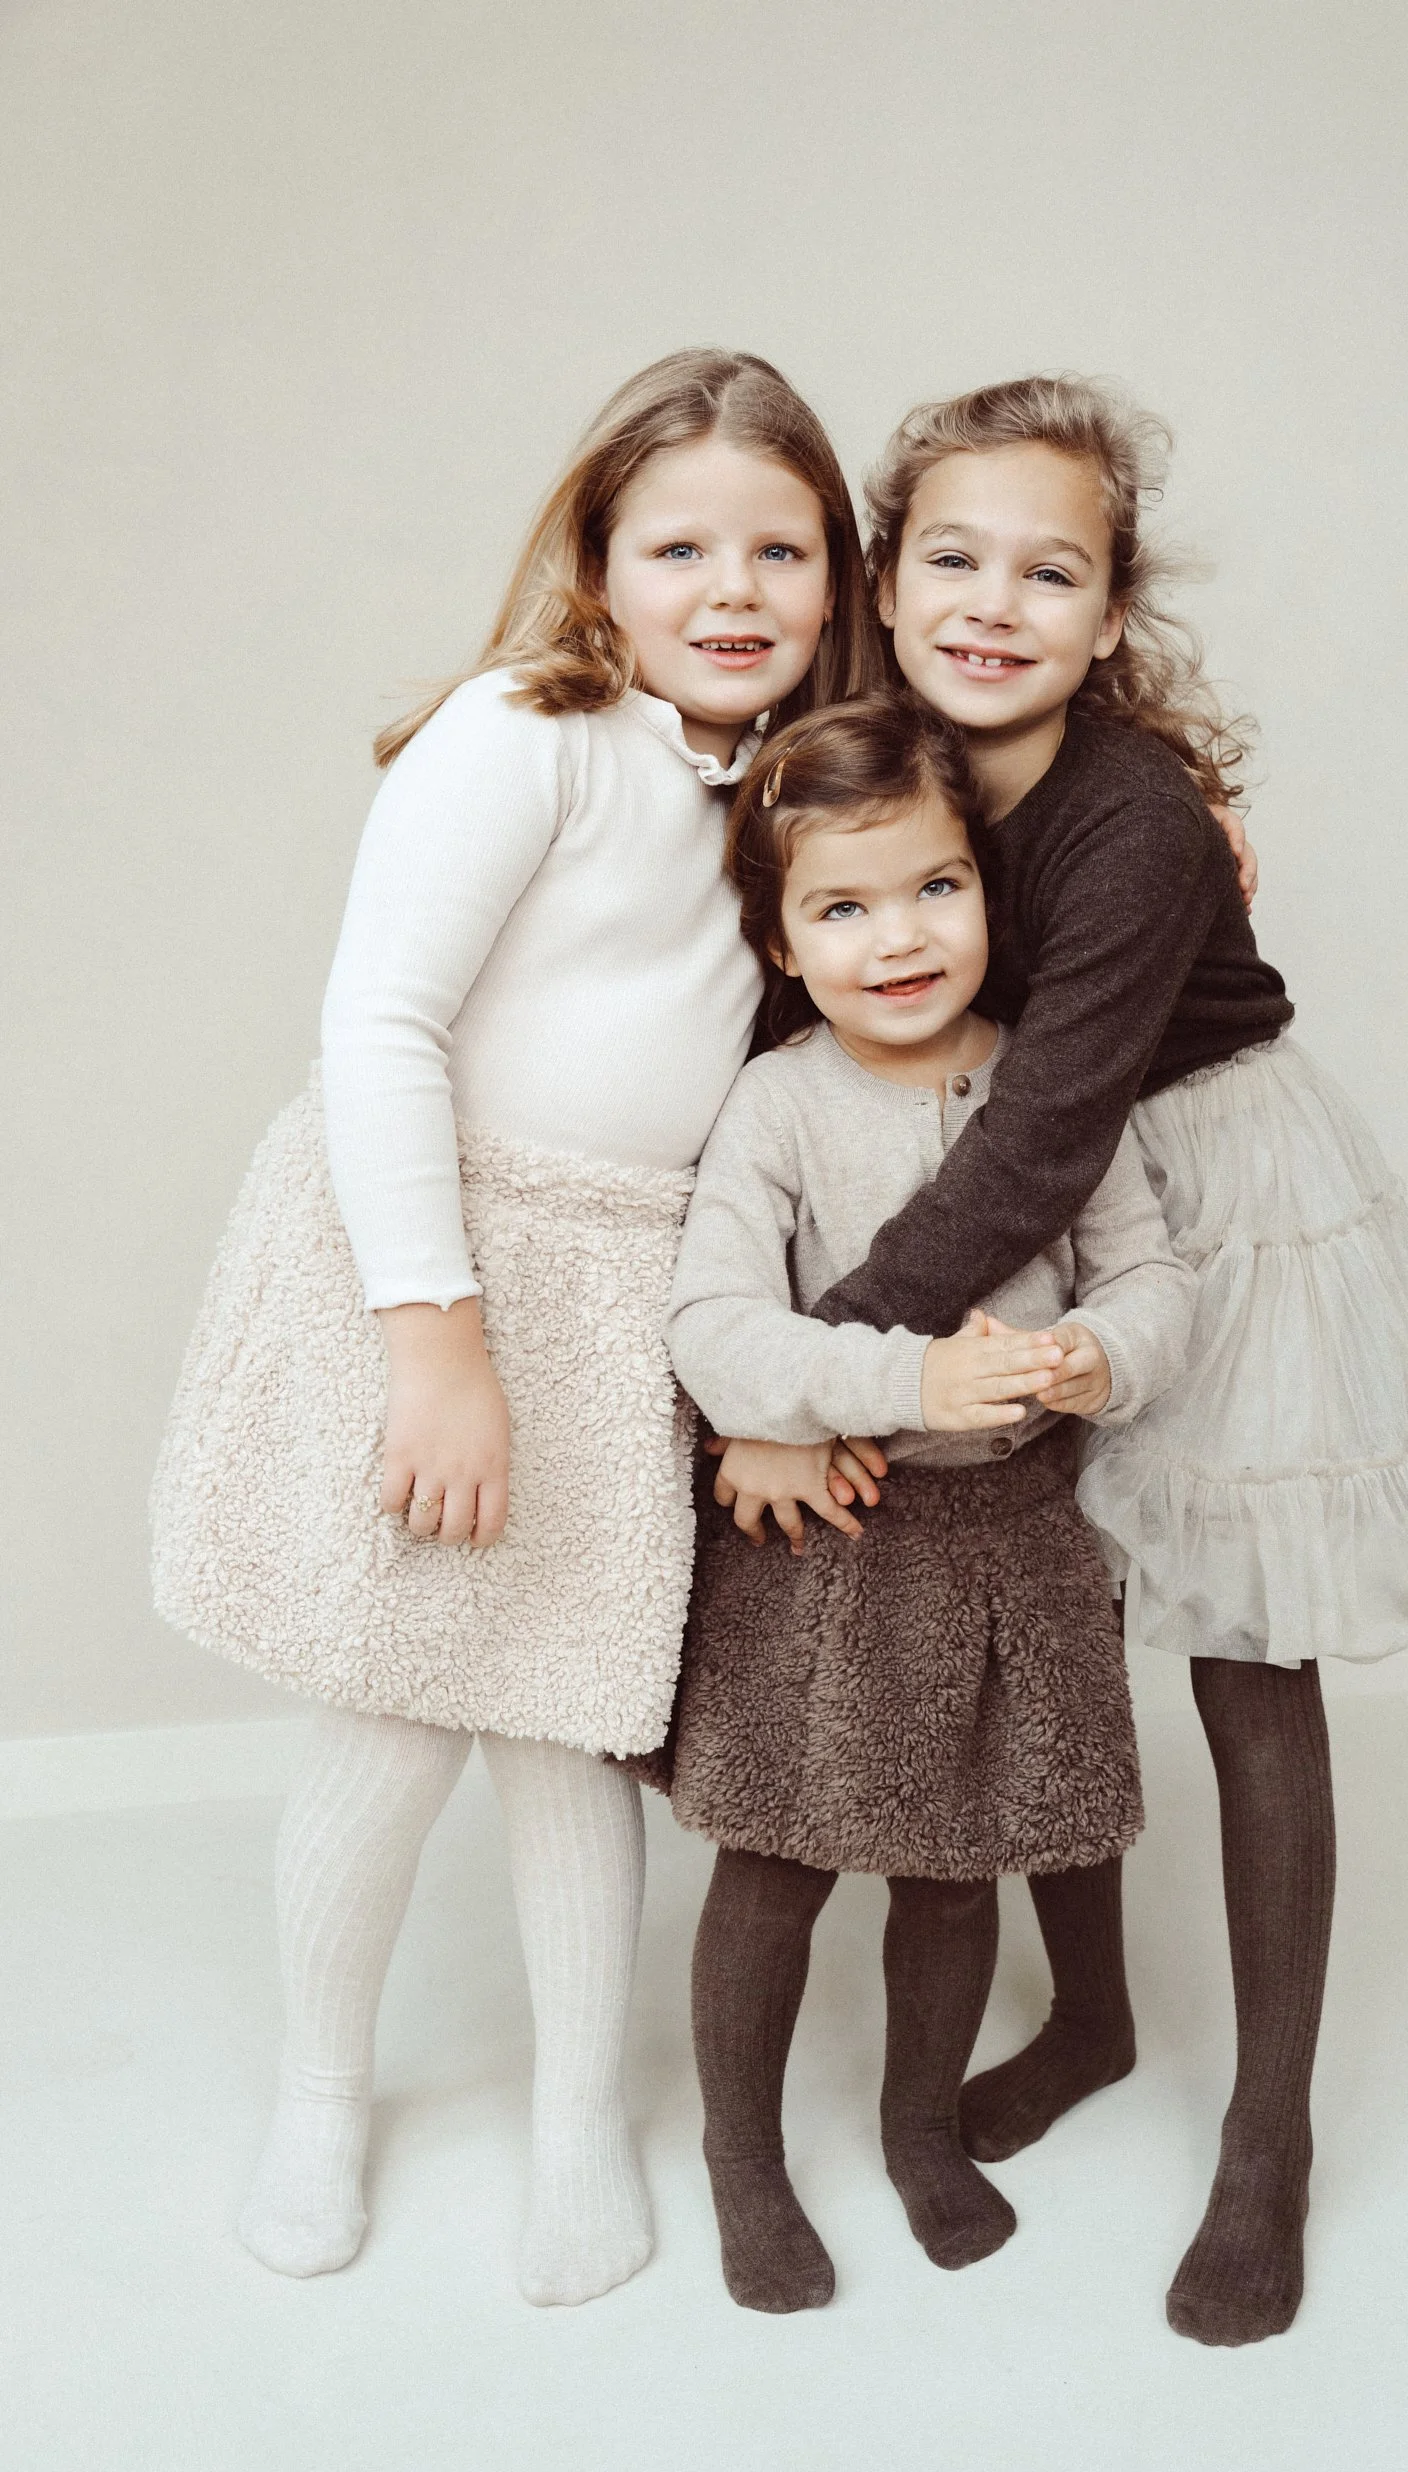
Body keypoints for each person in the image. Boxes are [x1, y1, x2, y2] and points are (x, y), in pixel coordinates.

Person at [713, 375, 1408, 2343]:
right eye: (953, 559)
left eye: (1049, 570)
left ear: (1109, 606)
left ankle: (1267, 2137)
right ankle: (1088, 2013)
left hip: (1191, 1185)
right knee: (1039, 1612)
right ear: (883, 581)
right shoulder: (863, 751)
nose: (994, 602)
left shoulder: (1139, 819)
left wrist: (804, 1371)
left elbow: (1042, 1137)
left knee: (1246, 1645)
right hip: (987, 1180)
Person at [150, 347, 880, 2305]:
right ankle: (323, 2090)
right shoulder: (527, 729)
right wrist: (435, 1342)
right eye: (679, 544)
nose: (729, 587)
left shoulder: (794, 786)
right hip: (445, 1258)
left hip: (626, 1280)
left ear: (835, 577)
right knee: (395, 1710)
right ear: (595, 562)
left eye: (778, 548)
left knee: (574, 1719)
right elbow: (380, 1022)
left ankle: (575, 2113)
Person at [650, 688, 1197, 2313]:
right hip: (830, 1549)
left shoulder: (1048, 1090)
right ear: (777, 937)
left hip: (1008, 1542)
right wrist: (899, 1382)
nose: (898, 936)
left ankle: (916, 2131)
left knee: (953, 1864)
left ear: (986, 889)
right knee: (776, 1862)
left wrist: (1102, 1352)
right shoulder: (778, 1105)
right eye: (842, 905)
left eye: (935, 888)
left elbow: (1152, 1269)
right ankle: (740, 2158)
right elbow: (712, 1332)